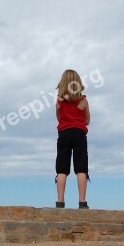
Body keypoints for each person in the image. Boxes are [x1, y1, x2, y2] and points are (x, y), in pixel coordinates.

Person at [55, 69, 90, 209]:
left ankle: (60, 201)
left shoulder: (58, 101)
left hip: (64, 134)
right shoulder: (83, 101)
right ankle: (82, 202)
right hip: (79, 134)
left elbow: (59, 118)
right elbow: (87, 120)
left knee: (62, 169)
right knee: (81, 167)